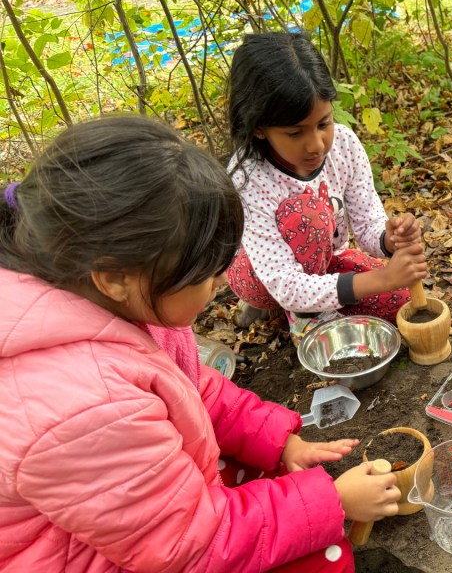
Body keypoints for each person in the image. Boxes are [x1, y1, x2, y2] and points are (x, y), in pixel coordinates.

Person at [0, 116, 401, 573]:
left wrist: (277, 440)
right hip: (104, 555)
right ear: (114, 278)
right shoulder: (84, 406)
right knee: (317, 555)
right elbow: (187, 547)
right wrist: (334, 503)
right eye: (208, 277)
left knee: (285, 483)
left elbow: (188, 388)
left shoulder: (119, 300)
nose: (218, 288)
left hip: (130, 517)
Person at [225, 31, 427, 343]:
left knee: (400, 300)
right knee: (308, 213)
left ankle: (320, 303)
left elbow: (367, 223)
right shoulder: (249, 176)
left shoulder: (344, 144)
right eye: (295, 133)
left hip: (326, 264)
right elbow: (285, 283)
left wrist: (389, 238)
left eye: (324, 124)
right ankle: (300, 315)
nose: (317, 145)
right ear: (260, 129)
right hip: (265, 278)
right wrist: (380, 277)